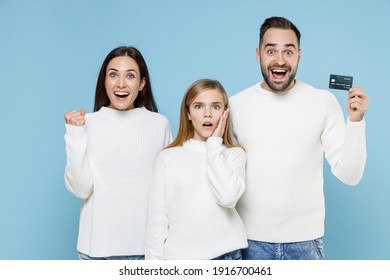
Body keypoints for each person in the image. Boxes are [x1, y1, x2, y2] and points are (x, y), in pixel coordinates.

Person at [229, 16, 368, 260]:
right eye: (271, 51)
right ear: (258, 54)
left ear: (299, 56)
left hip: (305, 243)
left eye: (288, 52)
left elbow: (350, 174)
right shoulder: (236, 105)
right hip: (249, 242)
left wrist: (355, 122)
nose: (280, 60)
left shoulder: (322, 102)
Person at [64, 46, 172, 260]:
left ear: (142, 83)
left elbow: (168, 191)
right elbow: (81, 188)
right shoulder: (87, 124)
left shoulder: (159, 124)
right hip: (97, 253)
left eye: (130, 76)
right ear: (104, 81)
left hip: (148, 252)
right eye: (113, 75)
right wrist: (74, 134)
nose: (121, 84)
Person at [145, 79, 248, 260]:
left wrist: (214, 145)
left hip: (226, 257)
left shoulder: (234, 155)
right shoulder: (168, 158)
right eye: (199, 106)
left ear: (225, 113)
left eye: (215, 107)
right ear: (188, 114)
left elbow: (228, 198)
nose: (207, 114)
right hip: (180, 260)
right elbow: (157, 221)